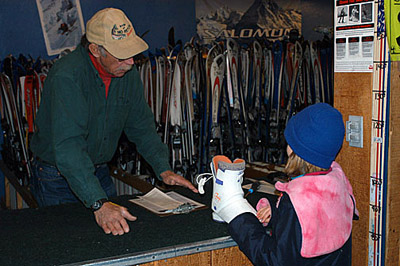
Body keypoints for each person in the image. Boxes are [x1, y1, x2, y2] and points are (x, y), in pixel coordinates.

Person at [29, 8, 198, 236]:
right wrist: (98, 203)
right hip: (57, 177)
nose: (130, 62)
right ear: (95, 50)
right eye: (121, 55)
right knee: (66, 245)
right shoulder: (67, 77)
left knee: (114, 237)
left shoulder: (126, 72)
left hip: (98, 170)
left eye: (131, 53)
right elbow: (69, 148)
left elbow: (141, 126)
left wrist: (162, 167)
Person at [208, 103, 358, 265]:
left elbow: (275, 261)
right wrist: (277, 212)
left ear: (295, 148)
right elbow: (311, 225)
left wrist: (238, 216)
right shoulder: (338, 186)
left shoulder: (296, 200)